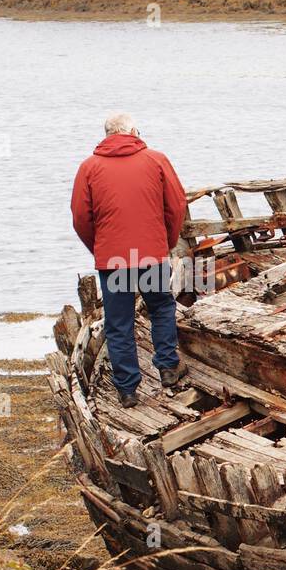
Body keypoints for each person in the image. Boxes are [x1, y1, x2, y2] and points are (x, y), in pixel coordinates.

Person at [71, 112, 189, 408]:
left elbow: (80, 218)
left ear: (108, 134)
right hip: (150, 253)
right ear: (133, 131)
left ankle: (127, 390)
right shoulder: (156, 160)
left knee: (119, 323)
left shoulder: (89, 167)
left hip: (113, 259)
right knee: (161, 306)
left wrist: (99, 247)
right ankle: (167, 368)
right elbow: (176, 206)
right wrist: (168, 242)